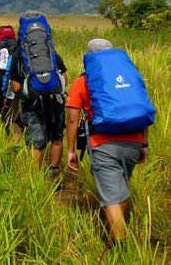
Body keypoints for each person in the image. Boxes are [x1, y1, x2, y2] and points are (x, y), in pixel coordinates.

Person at [66, 38, 154, 243]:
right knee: (120, 191)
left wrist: (71, 150)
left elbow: (72, 118)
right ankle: (116, 231)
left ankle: (120, 245)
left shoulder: (83, 82)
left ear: (87, 57)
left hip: (103, 144)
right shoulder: (130, 76)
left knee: (112, 197)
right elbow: (141, 108)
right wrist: (144, 143)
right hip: (134, 141)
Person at [10, 12, 67, 177]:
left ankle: (35, 177)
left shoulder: (19, 56)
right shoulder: (52, 54)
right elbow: (63, 76)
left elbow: (15, 87)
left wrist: (26, 94)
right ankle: (54, 172)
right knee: (56, 137)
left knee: (37, 140)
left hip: (31, 104)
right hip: (55, 100)